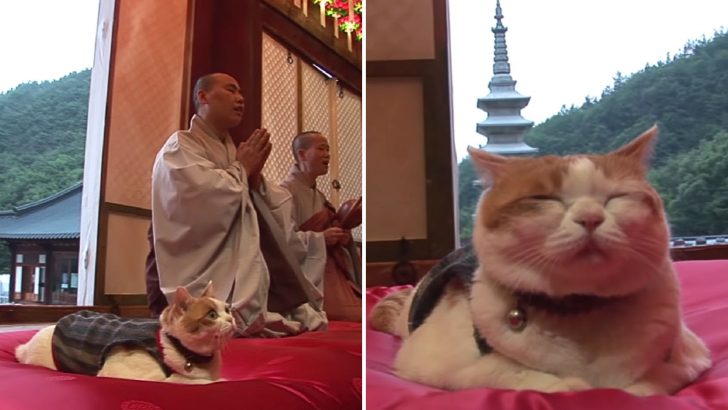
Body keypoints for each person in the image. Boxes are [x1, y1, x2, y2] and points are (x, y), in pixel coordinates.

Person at [150, 73, 326, 336]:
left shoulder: (231, 151)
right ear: (203, 96)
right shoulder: (180, 146)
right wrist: (242, 169)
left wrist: (252, 177)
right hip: (193, 256)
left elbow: (260, 201)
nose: (240, 99)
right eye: (231, 90)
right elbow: (201, 196)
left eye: (241, 92)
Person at [280, 131, 362, 322]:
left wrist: (342, 238)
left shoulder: (321, 197)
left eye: (328, 149)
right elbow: (283, 241)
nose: (327, 155)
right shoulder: (284, 192)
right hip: (306, 277)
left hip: (329, 271)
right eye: (321, 149)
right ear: (301, 154)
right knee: (349, 317)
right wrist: (321, 238)